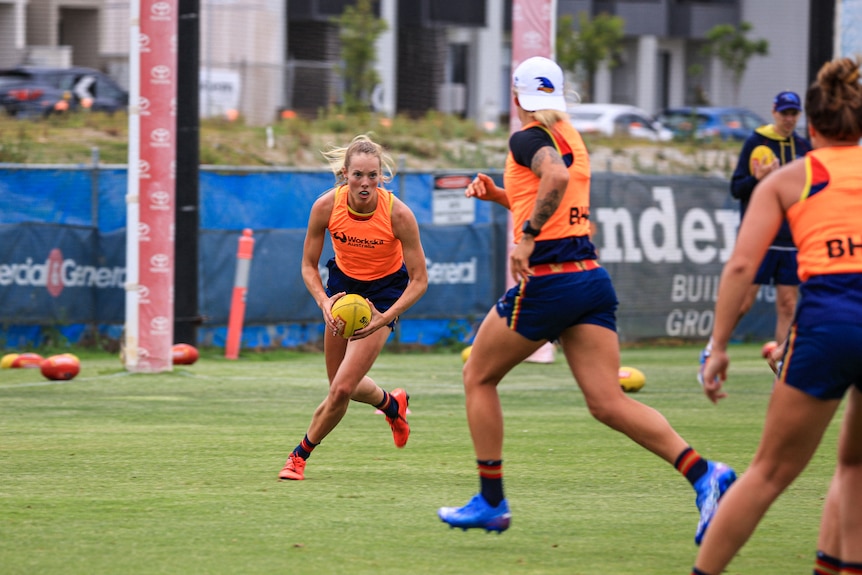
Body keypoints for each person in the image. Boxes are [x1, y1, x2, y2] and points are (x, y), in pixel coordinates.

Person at [436, 56, 736, 545]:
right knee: (608, 403)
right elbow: (554, 193)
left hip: (550, 281)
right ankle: (706, 475)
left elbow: (551, 183)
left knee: (478, 375)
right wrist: (500, 197)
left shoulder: (527, 138)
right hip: (590, 279)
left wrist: (527, 236)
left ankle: (491, 502)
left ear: (516, 99)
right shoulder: (570, 134)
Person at [693, 56, 862, 575]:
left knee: (768, 473)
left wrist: (719, 346)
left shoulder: (792, 178)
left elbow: (742, 264)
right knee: (855, 467)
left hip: (829, 323)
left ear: (811, 128)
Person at [278, 134, 428, 481]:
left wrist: (385, 318)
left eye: (372, 175)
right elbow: (307, 266)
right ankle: (392, 405)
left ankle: (298, 456)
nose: (364, 183)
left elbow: (420, 280)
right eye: (357, 174)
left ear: (382, 177)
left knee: (342, 389)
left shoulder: (399, 214)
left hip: (384, 295)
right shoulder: (326, 207)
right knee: (339, 384)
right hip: (343, 292)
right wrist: (324, 302)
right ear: (344, 174)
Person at [699, 91, 812, 381]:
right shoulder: (757, 142)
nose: (789, 118)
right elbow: (737, 188)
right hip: (762, 234)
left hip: (791, 238)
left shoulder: (802, 146)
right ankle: (713, 348)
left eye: (793, 114)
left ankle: (783, 371)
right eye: (784, 112)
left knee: (788, 304)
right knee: (744, 301)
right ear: (774, 112)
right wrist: (759, 179)